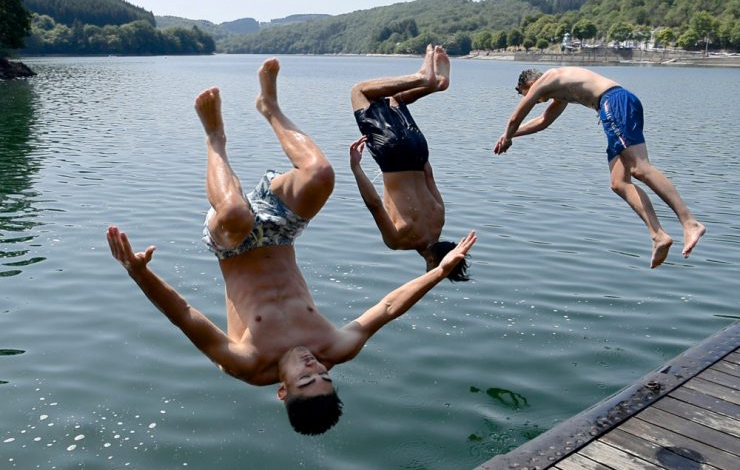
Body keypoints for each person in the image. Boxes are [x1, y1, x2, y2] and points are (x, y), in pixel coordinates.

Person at [107, 57, 477, 436]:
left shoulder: (247, 364)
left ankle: (215, 139)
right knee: (321, 175)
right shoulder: (334, 349)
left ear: (282, 391)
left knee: (235, 211)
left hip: (232, 245)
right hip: (282, 233)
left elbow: (184, 315)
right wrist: (438, 271)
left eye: (305, 379)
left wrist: (139, 272)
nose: (313, 367)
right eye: (323, 377)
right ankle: (270, 108)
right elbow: (387, 308)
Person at [493, 66, 705, 268]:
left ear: (531, 83)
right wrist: (510, 135)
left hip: (614, 103)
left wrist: (509, 135)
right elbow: (543, 121)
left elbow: (516, 116)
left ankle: (689, 223)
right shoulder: (559, 91)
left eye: (528, 95)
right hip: (615, 107)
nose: (536, 101)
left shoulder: (549, 78)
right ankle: (658, 235)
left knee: (640, 168)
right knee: (619, 183)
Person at [349, 45, 470, 281]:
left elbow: (429, 175)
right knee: (359, 91)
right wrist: (356, 167)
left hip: (418, 150)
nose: (431, 275)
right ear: (433, 261)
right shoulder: (399, 241)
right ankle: (422, 78)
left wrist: (411, 146)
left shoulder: (439, 219)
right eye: (435, 272)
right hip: (392, 155)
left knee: (394, 99)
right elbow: (374, 203)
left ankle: (436, 84)